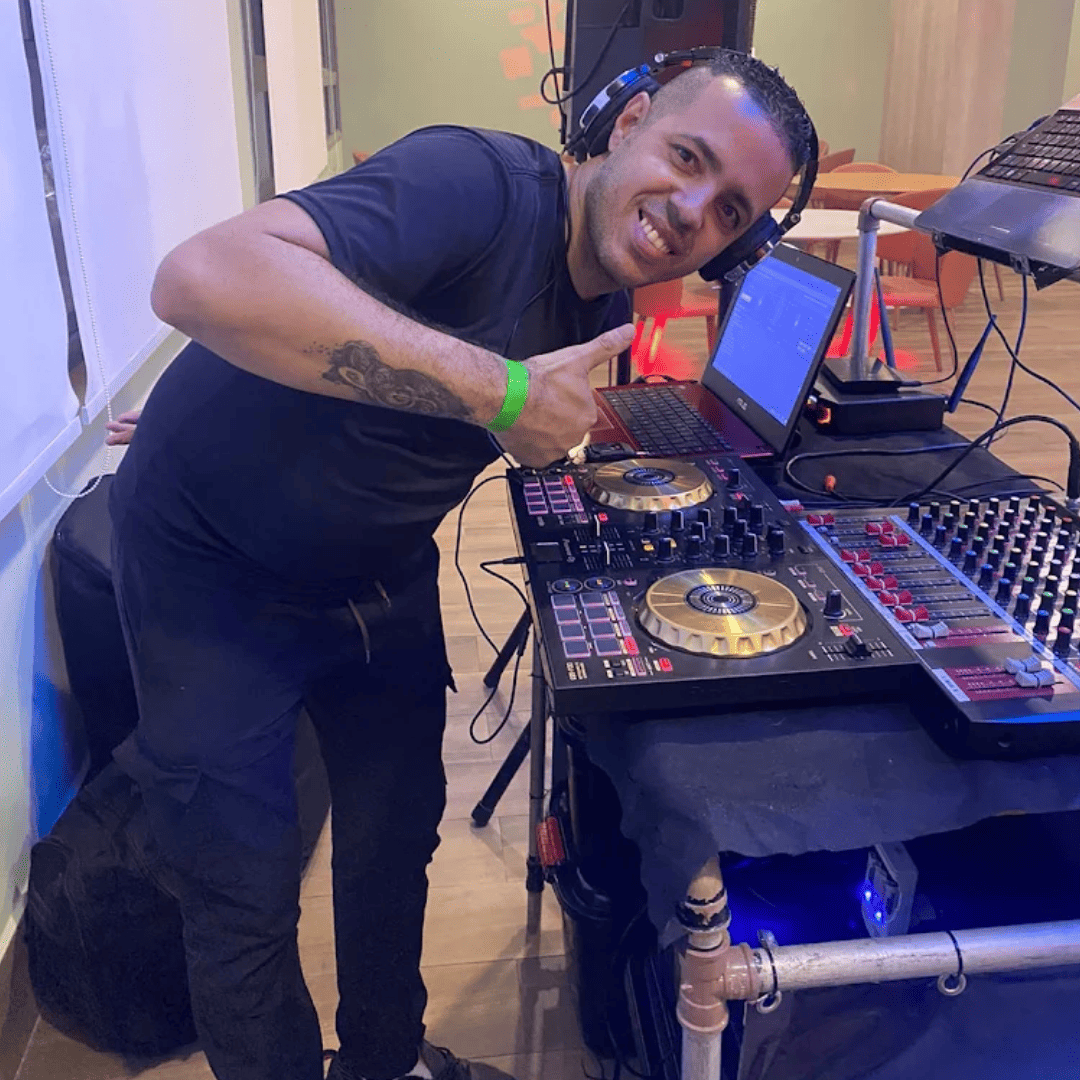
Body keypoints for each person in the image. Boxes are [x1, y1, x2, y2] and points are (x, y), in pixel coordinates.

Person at [107, 51, 812, 1080]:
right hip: (211, 573)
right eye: (688, 157)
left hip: (376, 567)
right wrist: (506, 393)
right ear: (626, 127)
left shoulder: (603, 300)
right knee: (240, 892)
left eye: (730, 209)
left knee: (394, 838)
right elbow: (199, 276)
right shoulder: (475, 183)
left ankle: (387, 1063)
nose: (691, 210)